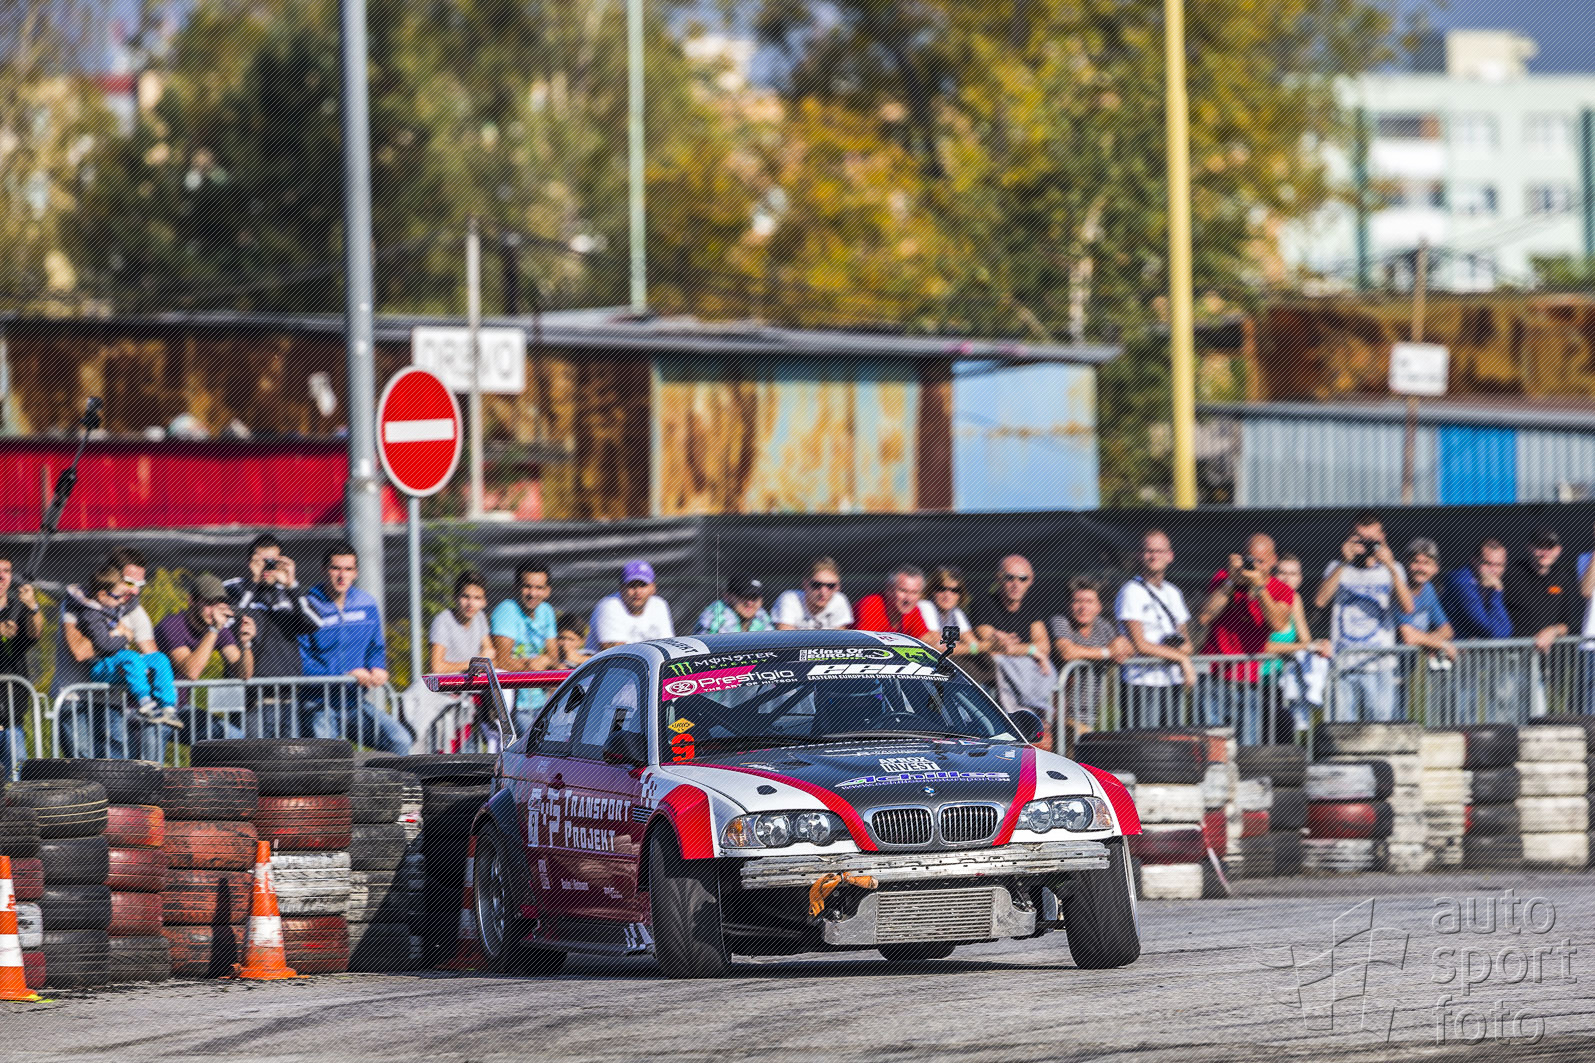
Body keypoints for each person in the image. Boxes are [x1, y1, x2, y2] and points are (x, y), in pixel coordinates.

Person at [297, 542, 410, 754]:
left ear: (356, 573)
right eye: (336, 568)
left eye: (348, 569)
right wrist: (344, 675)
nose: (342, 576)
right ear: (323, 570)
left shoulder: (367, 603)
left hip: (353, 704)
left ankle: (388, 779)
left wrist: (377, 666)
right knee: (329, 758)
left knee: (400, 741)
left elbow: (376, 647)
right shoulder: (307, 606)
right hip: (318, 704)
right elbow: (300, 663)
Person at [1314, 512, 1414, 722]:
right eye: (1361, 539)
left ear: (1383, 538)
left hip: (1379, 664)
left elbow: (1407, 608)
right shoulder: (1337, 567)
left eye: (1372, 540)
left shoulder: (1394, 569)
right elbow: (1320, 601)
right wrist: (1344, 561)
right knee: (1341, 730)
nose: (1366, 546)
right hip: (1343, 664)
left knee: (1379, 728)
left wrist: (1390, 567)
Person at [1195, 533, 1293, 742]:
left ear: (1273, 560)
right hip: (1214, 677)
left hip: (1249, 681)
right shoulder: (1224, 578)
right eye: (1251, 559)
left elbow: (1278, 624)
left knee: (1247, 746)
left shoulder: (1281, 589)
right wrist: (1231, 582)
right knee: (1211, 746)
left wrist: (1259, 588)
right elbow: (1204, 617)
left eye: (1261, 561)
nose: (1255, 566)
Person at [75, 565, 180, 758]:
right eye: (117, 597)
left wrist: (121, 630)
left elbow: (129, 602)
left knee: (159, 659)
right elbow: (104, 644)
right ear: (102, 594)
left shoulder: (115, 607)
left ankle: (168, 706)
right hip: (101, 666)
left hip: (119, 660)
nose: (120, 601)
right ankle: (144, 702)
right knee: (131, 657)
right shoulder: (91, 615)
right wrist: (125, 636)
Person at [155, 572, 254, 740]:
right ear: (191, 601)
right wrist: (214, 629)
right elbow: (191, 672)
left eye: (218, 604)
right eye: (208, 603)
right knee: (154, 757)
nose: (214, 610)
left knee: (234, 736)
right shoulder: (172, 625)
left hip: (179, 709)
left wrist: (246, 644)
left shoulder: (220, 630)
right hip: (151, 708)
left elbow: (244, 674)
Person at [1115, 530, 1196, 726]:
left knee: (1172, 740)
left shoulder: (1173, 592)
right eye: (1149, 551)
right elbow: (1140, 644)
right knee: (1145, 741)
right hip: (1142, 682)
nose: (1154, 556)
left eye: (1160, 551)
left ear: (1170, 556)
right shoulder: (1131, 591)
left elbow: (1187, 644)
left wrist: (1180, 652)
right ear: (1139, 555)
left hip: (1171, 681)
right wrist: (1181, 658)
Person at [1049, 577, 1131, 742]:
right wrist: (1107, 652)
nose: (1083, 607)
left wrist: (1121, 646)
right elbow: (1067, 652)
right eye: (1077, 601)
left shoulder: (1103, 626)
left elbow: (1125, 649)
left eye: (1089, 601)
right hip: (1058, 714)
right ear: (1069, 604)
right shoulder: (1060, 621)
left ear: (1098, 606)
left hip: (1091, 714)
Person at [970, 556, 1053, 718]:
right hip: (993, 695)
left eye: (1022, 579)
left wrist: (1017, 649)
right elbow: (991, 645)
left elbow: (1044, 647)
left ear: (1030, 581)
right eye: (1009, 578)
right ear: (998, 578)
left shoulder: (1032, 607)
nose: (1016, 584)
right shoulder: (983, 603)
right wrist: (1031, 650)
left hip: (1027, 689)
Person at [1263, 554, 1332, 740]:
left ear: (1300, 578)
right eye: (1282, 573)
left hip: (1282, 682)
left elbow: (1305, 640)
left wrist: (1319, 645)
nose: (1287, 578)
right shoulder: (1263, 598)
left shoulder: (1295, 599)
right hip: (1256, 681)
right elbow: (1262, 646)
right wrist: (1303, 647)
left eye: (1293, 574)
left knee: (1285, 734)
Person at [490, 560, 559, 731]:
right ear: (516, 587)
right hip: (515, 707)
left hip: (543, 703)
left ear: (548, 591)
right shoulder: (506, 610)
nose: (533, 593)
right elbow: (501, 662)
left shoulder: (547, 611)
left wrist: (545, 662)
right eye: (527, 587)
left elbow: (553, 658)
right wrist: (531, 666)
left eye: (539, 588)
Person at [0, 553, 42, 776]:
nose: (2, 576)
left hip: (11, 717)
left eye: (6, 571)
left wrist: (33, 606)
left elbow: (35, 633)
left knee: (16, 780)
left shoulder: (17, 608)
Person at [586, 560, 674, 651]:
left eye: (643, 585)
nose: (638, 592)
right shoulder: (609, 605)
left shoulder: (659, 605)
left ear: (653, 587)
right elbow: (616, 653)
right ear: (621, 588)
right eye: (631, 585)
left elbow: (669, 646)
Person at [1440, 538, 1512, 641]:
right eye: (1487, 563)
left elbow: (1504, 632)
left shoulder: (1490, 584)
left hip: (1471, 649)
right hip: (1452, 649)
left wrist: (1495, 592)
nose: (1494, 570)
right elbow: (1494, 633)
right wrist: (1496, 593)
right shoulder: (1461, 582)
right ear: (1474, 561)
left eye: (1499, 565)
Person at [431, 570, 496, 675]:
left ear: (484, 602)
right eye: (465, 596)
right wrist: (474, 663)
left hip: (471, 681)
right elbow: (436, 667)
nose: (470, 604)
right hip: (446, 683)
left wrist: (483, 660)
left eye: (477, 598)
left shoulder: (480, 617)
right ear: (455, 598)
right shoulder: (442, 620)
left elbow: (490, 655)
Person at [771, 558, 854, 630]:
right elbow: (786, 640)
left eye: (831, 586)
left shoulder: (839, 600)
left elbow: (840, 640)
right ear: (805, 583)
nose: (823, 592)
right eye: (816, 585)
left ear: (838, 587)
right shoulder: (789, 599)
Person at [851, 566, 931, 637]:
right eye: (903, 591)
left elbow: (926, 640)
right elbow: (865, 643)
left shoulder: (912, 610)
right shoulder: (871, 605)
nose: (909, 599)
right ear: (888, 589)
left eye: (914, 592)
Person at [919, 566, 979, 655]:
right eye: (941, 589)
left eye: (954, 590)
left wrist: (976, 648)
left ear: (961, 593)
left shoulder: (957, 612)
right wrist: (984, 647)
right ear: (931, 589)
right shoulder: (925, 606)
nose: (948, 595)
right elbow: (941, 648)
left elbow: (973, 643)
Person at [696, 576, 773, 634]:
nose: (749, 603)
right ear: (727, 596)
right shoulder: (716, 616)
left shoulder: (761, 614)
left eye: (754, 597)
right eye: (743, 596)